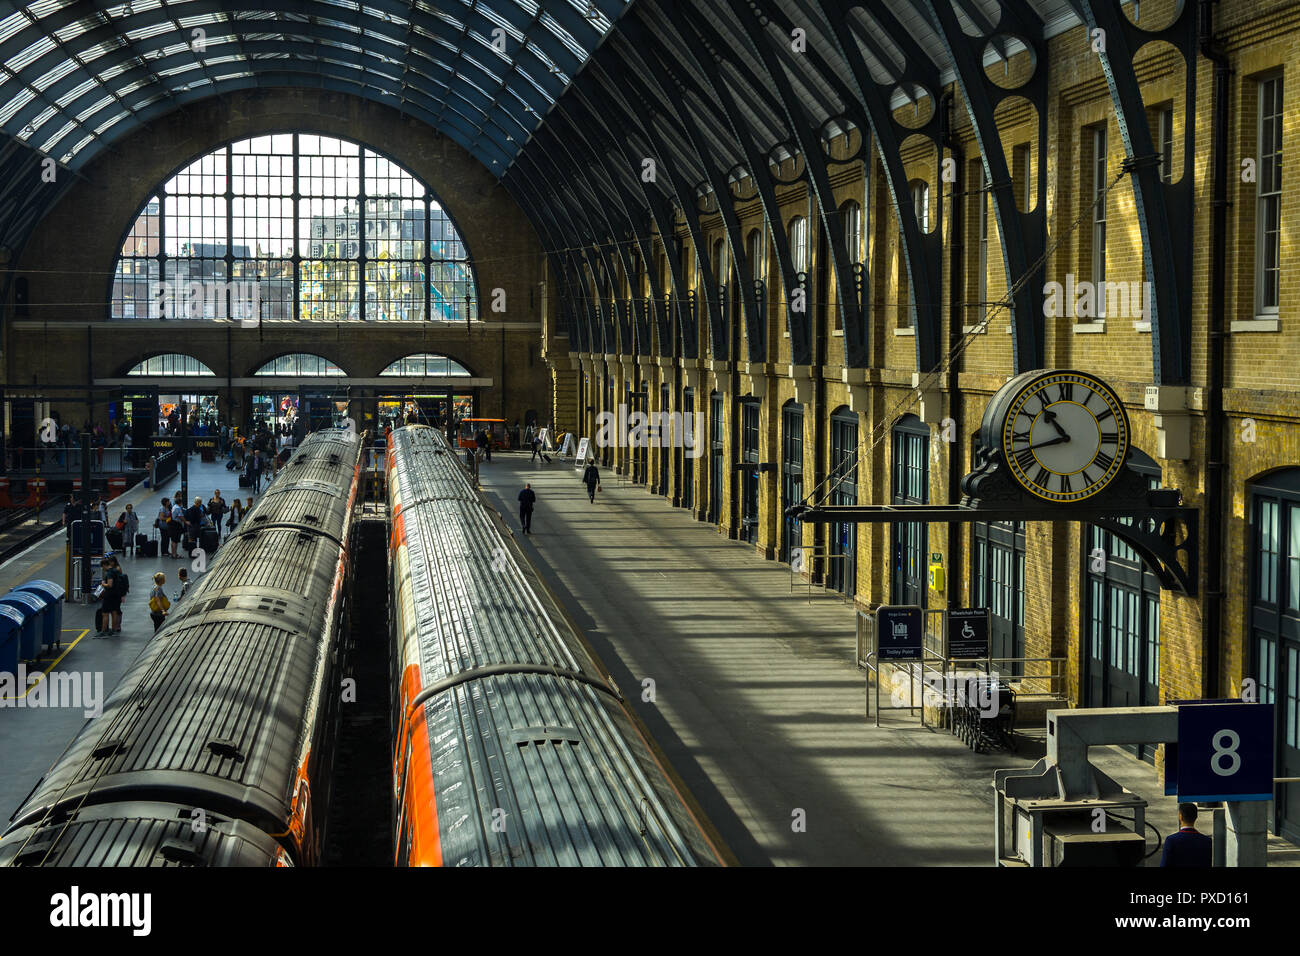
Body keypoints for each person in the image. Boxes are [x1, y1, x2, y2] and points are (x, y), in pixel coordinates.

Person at [96, 556, 123, 637]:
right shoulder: (116, 571)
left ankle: (104, 631)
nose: (102, 569)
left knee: (105, 613)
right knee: (114, 612)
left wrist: (103, 584)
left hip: (109, 595)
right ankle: (114, 630)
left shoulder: (110, 573)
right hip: (116, 595)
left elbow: (110, 585)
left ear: (105, 565)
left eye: (102, 567)